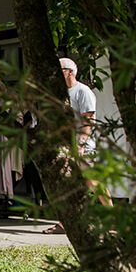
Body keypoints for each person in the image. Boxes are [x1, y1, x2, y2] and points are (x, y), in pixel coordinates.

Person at [44, 57, 103, 234]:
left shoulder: (82, 91)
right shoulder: (60, 93)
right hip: (64, 144)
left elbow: (88, 120)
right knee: (66, 183)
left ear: (71, 71)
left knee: (93, 181)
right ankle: (65, 222)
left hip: (83, 144)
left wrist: (81, 143)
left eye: (60, 70)